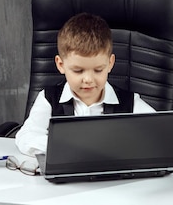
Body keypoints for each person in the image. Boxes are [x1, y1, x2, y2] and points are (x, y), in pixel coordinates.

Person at [15, 12, 157, 156]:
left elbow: (169, 136)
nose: (88, 79)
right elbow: (26, 137)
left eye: (98, 70)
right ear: (61, 64)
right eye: (78, 70)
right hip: (67, 175)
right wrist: (70, 148)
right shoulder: (49, 99)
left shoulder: (130, 102)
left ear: (110, 63)